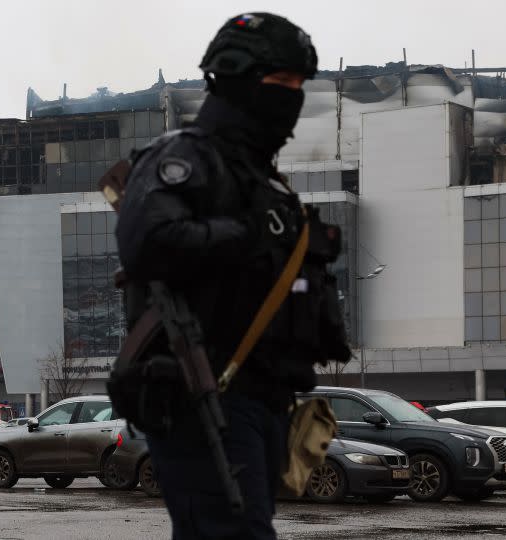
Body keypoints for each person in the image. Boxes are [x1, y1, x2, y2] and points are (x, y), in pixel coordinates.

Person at [115, 12, 345, 539]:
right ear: (238, 79)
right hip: (206, 396)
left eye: (298, 85)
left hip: (265, 399)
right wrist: (245, 236)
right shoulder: (186, 158)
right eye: (280, 82)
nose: (292, 97)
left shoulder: (264, 182)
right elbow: (148, 241)